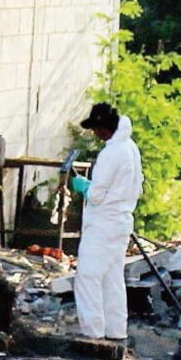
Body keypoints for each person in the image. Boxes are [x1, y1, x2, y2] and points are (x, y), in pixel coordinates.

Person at [69, 103, 144, 341]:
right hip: (121, 220)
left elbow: (97, 194)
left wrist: (84, 186)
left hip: (103, 221)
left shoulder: (111, 153)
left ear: (103, 128)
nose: (94, 134)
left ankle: (92, 333)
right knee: (112, 278)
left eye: (95, 129)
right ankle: (116, 331)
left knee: (88, 276)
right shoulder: (130, 148)